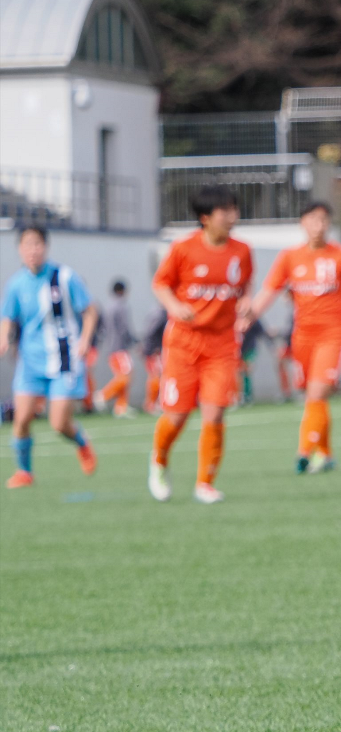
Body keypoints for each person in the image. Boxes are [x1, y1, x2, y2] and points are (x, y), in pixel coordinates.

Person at [249, 201, 341, 474]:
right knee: (313, 395)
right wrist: (246, 318)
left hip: (334, 335)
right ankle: (326, 454)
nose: (319, 225)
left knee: (317, 393)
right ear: (302, 223)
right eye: (313, 219)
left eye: (324, 220)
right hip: (303, 337)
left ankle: (304, 451)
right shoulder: (289, 257)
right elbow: (269, 291)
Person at [148, 186, 254, 504]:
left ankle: (205, 483)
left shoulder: (242, 251)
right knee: (177, 416)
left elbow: (245, 285)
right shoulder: (183, 249)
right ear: (205, 217)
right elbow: (161, 283)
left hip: (222, 344)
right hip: (184, 343)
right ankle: (158, 461)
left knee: (215, 413)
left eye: (234, 210)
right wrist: (175, 306)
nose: (232, 216)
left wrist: (246, 304)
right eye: (225, 211)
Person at [1, 226, 100, 488]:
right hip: (30, 362)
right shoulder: (16, 284)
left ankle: (81, 441)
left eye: (37, 244)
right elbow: (8, 317)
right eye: (27, 245)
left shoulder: (64, 277)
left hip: (64, 359)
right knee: (22, 418)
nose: (32, 250)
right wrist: (4, 338)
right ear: (20, 249)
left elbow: (90, 311)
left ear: (45, 246)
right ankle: (24, 472)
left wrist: (85, 339)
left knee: (58, 423)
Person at [95, 280, 140, 417]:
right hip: (119, 347)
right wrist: (134, 341)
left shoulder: (108, 307)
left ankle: (121, 406)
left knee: (123, 375)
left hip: (111, 347)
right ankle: (103, 395)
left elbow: (101, 328)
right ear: (123, 291)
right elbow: (124, 327)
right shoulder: (121, 306)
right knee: (126, 376)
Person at [141, 307, 167, 413]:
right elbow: (151, 332)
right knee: (156, 376)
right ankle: (151, 404)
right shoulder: (161, 314)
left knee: (157, 376)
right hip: (153, 351)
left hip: (153, 349)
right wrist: (154, 348)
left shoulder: (157, 313)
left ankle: (153, 403)